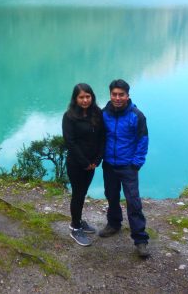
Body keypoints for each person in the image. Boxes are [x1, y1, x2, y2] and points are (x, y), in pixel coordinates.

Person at [99, 79, 150, 258]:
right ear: (110, 95)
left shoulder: (136, 115)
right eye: (114, 94)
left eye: (121, 94)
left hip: (128, 166)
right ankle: (114, 224)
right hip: (109, 165)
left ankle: (140, 239)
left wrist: (136, 162)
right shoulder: (104, 114)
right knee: (111, 196)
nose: (118, 98)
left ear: (128, 95)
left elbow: (143, 140)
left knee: (133, 201)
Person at [62, 83, 106, 246]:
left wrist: (97, 160)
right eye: (81, 97)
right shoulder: (69, 116)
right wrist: (85, 162)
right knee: (78, 194)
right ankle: (74, 227)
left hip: (92, 164)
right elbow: (70, 142)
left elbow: (102, 137)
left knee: (83, 192)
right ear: (75, 99)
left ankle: (78, 220)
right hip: (76, 163)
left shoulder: (97, 113)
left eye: (88, 96)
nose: (85, 100)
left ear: (92, 97)